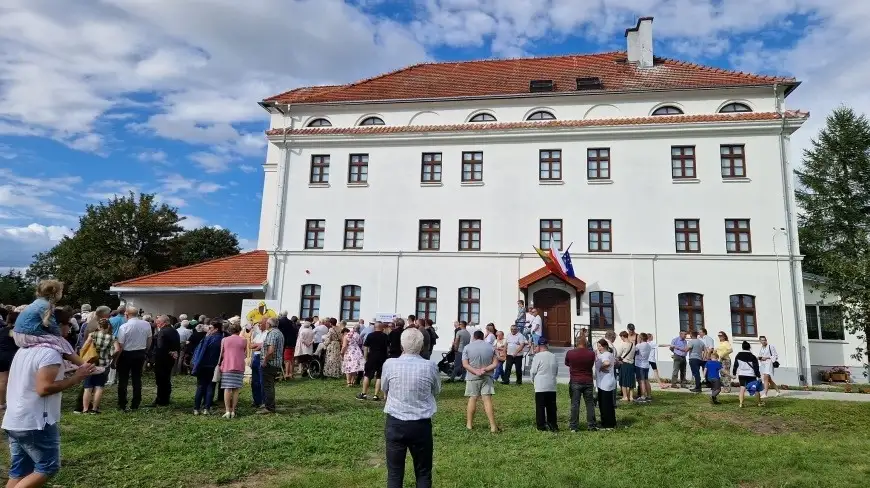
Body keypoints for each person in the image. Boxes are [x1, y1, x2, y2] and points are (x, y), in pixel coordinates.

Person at [2, 336, 96, 487]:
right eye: (66, 324)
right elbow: (44, 388)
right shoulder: (49, 353)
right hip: (36, 422)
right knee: (47, 467)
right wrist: (76, 378)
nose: (68, 330)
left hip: (14, 419)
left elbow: (32, 379)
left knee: (21, 471)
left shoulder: (23, 350)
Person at [381, 328, 440, 488]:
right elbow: (436, 390)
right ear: (422, 347)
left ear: (401, 345)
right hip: (421, 424)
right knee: (423, 472)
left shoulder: (390, 364)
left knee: (394, 473)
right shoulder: (430, 366)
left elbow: (384, 388)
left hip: (395, 423)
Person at [116, 306, 152, 412]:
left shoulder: (124, 327)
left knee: (123, 379)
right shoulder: (146, 324)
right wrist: (145, 351)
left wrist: (116, 359)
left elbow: (121, 344)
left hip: (126, 354)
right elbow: (149, 340)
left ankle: (122, 403)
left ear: (127, 315)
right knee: (137, 378)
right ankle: (136, 402)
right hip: (140, 353)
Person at [462, 330, 499, 433]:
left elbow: (465, 364)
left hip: (472, 376)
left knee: (472, 399)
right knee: (487, 400)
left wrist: (476, 371)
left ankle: (469, 424)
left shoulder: (467, 347)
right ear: (483, 337)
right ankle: (493, 426)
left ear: (474, 337)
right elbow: (495, 363)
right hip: (487, 376)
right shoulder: (491, 347)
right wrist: (485, 369)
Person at [80, 318, 115, 414]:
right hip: (104, 364)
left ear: (98, 326)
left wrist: (81, 357)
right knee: (99, 387)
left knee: (88, 387)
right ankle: (94, 409)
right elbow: (115, 350)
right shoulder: (112, 337)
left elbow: (84, 347)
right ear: (108, 327)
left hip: (91, 363)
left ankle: (85, 409)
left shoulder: (92, 335)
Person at [565, 332, 597, 432]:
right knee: (590, 404)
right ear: (586, 343)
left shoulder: (570, 353)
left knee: (575, 404)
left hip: (575, 380)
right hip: (588, 380)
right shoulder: (591, 353)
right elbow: (591, 364)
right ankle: (591, 425)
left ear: (576, 343)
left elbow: (567, 363)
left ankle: (574, 426)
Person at [191, 320, 222, 415]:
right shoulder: (221, 339)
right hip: (213, 365)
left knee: (200, 386)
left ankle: (196, 408)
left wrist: (195, 365)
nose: (209, 329)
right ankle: (206, 408)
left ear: (216, 329)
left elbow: (199, 352)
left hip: (202, 365)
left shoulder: (207, 338)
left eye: (210, 328)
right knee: (210, 387)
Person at [530, 337, 558, 432]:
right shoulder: (553, 356)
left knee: (540, 407)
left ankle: (541, 425)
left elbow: (533, 371)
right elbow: (556, 370)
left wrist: (533, 380)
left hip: (541, 385)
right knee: (552, 407)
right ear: (547, 345)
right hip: (551, 385)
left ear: (539, 346)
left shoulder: (537, 356)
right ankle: (553, 424)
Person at [219, 322, 247, 418]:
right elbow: (244, 352)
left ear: (230, 331)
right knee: (236, 389)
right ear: (239, 331)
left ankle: (227, 410)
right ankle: (233, 410)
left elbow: (221, 353)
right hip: (239, 366)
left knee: (227, 388)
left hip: (227, 365)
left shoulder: (224, 340)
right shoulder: (244, 340)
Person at [152, 315, 180, 407]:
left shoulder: (163, 332)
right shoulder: (174, 331)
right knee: (167, 379)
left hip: (161, 359)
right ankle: (166, 398)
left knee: (160, 380)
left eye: (158, 323)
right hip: (170, 358)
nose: (157, 324)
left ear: (164, 323)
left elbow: (160, 346)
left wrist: (153, 358)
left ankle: (160, 400)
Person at [358, 322, 389, 401]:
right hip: (382, 358)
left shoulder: (370, 335)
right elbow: (388, 348)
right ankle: (375, 395)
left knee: (367, 375)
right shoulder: (385, 336)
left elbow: (365, 347)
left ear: (374, 327)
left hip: (372, 357)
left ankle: (364, 393)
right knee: (379, 376)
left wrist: (365, 358)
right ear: (382, 328)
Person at [259, 318, 284, 414]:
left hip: (270, 363)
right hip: (276, 363)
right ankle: (269, 405)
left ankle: (269, 407)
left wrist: (265, 360)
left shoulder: (272, 334)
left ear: (269, 324)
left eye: (266, 323)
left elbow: (271, 350)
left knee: (268, 386)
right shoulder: (279, 333)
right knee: (270, 385)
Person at [733, 341, 763, 408]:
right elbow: (756, 368)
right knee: (756, 388)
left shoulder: (738, 355)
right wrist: (758, 376)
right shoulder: (753, 357)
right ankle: (759, 403)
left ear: (742, 347)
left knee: (742, 388)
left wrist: (734, 374)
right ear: (749, 347)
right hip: (751, 374)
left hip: (741, 374)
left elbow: (735, 365)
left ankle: (741, 403)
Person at [595, 339, 617, 430]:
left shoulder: (605, 355)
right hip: (607, 381)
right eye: (598, 346)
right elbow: (615, 362)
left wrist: (601, 367)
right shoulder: (609, 354)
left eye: (600, 346)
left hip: (605, 383)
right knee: (608, 404)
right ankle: (610, 422)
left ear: (604, 346)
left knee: (605, 404)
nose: (598, 348)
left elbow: (607, 363)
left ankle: (607, 424)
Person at [0, 310, 20, 411]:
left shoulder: (2, 330)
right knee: (16, 380)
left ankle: (1, 403)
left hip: (1, 356)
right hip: (12, 357)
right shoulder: (14, 331)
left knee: (2, 381)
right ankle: (14, 401)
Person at [249, 317, 267, 408]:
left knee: (261, 381)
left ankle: (263, 401)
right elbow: (251, 345)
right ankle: (256, 400)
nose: (259, 325)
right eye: (258, 324)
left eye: (260, 323)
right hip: (255, 357)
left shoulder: (268, 333)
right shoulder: (258, 334)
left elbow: (264, 346)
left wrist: (258, 345)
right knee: (254, 381)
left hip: (262, 356)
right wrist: (258, 345)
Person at [614, 330, 636, 402]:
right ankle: (631, 397)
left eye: (621, 338)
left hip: (624, 364)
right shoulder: (633, 345)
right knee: (631, 380)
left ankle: (625, 396)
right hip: (631, 364)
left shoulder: (623, 345)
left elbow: (618, 355)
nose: (621, 339)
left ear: (623, 336)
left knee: (623, 380)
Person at [634, 332, 652, 403]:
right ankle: (649, 395)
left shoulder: (639, 345)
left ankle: (643, 396)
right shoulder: (648, 345)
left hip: (640, 364)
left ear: (641, 338)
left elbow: (634, 351)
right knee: (646, 380)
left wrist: (638, 343)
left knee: (641, 381)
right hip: (646, 364)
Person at [280, 314, 299, 379]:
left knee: (287, 360)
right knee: (291, 360)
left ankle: (287, 374)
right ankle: (291, 374)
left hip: (288, 345)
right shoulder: (295, 327)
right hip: (293, 345)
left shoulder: (287, 327)